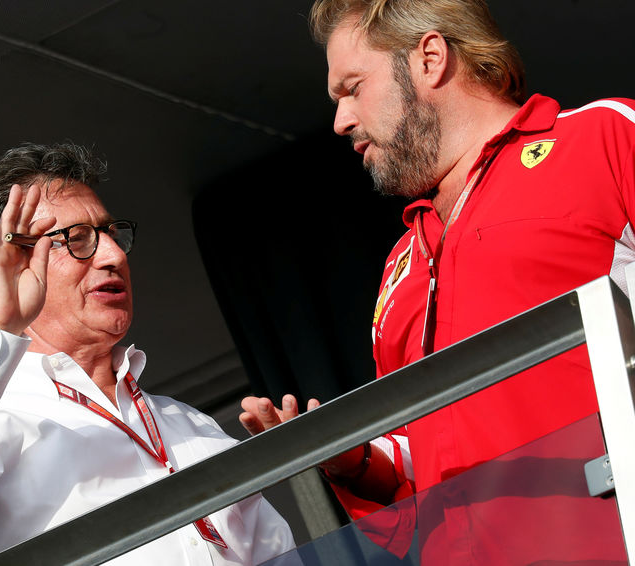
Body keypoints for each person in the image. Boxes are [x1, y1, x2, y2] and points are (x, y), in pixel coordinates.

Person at [241, 0, 634, 563]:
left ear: (429, 59)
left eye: (352, 87)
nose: (340, 120)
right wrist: (346, 457)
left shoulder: (601, 139)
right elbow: (420, 461)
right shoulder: (402, 262)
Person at [0, 142, 294, 566]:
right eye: (75, 240)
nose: (112, 255)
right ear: (5, 273)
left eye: (111, 234)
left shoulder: (190, 424)